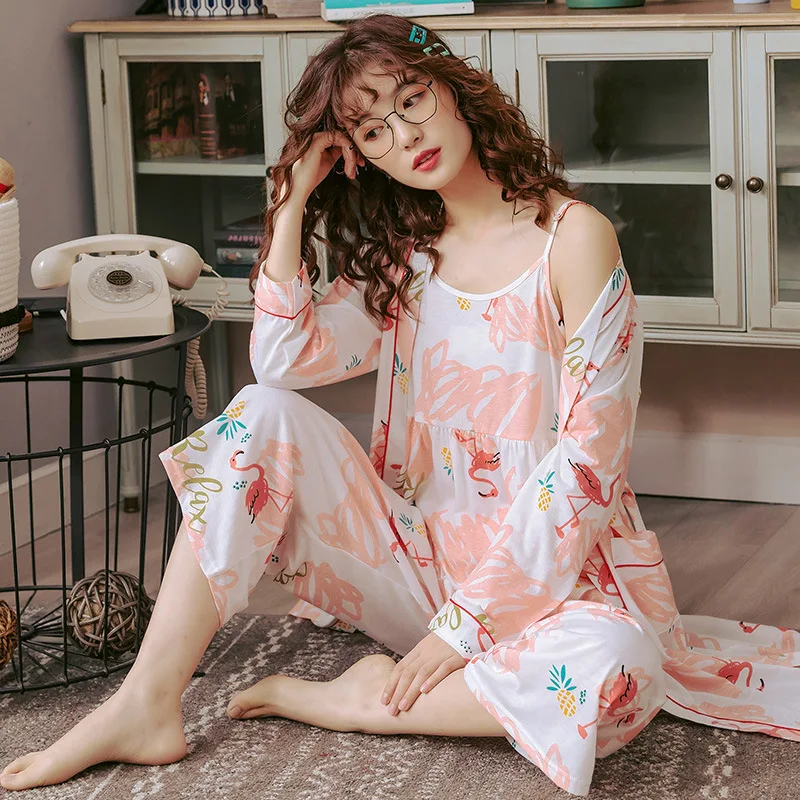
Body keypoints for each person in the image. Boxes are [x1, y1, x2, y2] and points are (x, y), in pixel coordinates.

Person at [2, 13, 798, 797]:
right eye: (372, 131)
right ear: (359, 156)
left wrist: (465, 628)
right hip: (419, 565)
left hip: (557, 586)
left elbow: (590, 465)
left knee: (621, 670)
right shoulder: (406, 257)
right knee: (260, 411)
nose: (404, 134)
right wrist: (289, 205)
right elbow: (281, 362)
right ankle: (146, 702)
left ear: (454, 88)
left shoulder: (573, 238)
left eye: (411, 99)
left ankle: (361, 703)